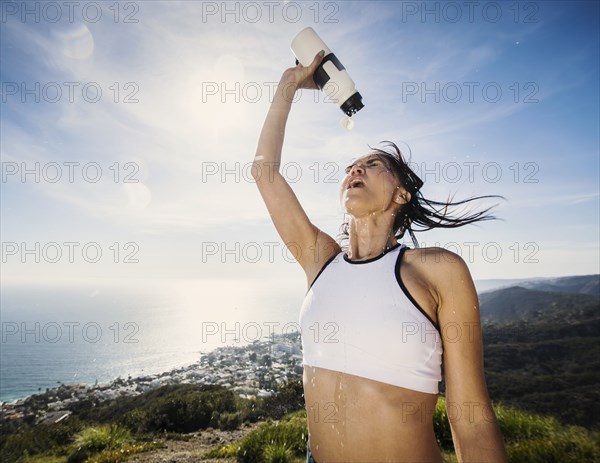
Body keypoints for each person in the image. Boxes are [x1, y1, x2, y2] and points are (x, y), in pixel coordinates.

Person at [252, 51, 508, 463]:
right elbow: (264, 172)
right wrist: (288, 84)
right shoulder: (321, 261)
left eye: (373, 165)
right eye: (352, 166)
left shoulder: (437, 270)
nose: (357, 170)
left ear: (401, 194)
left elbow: (471, 418)